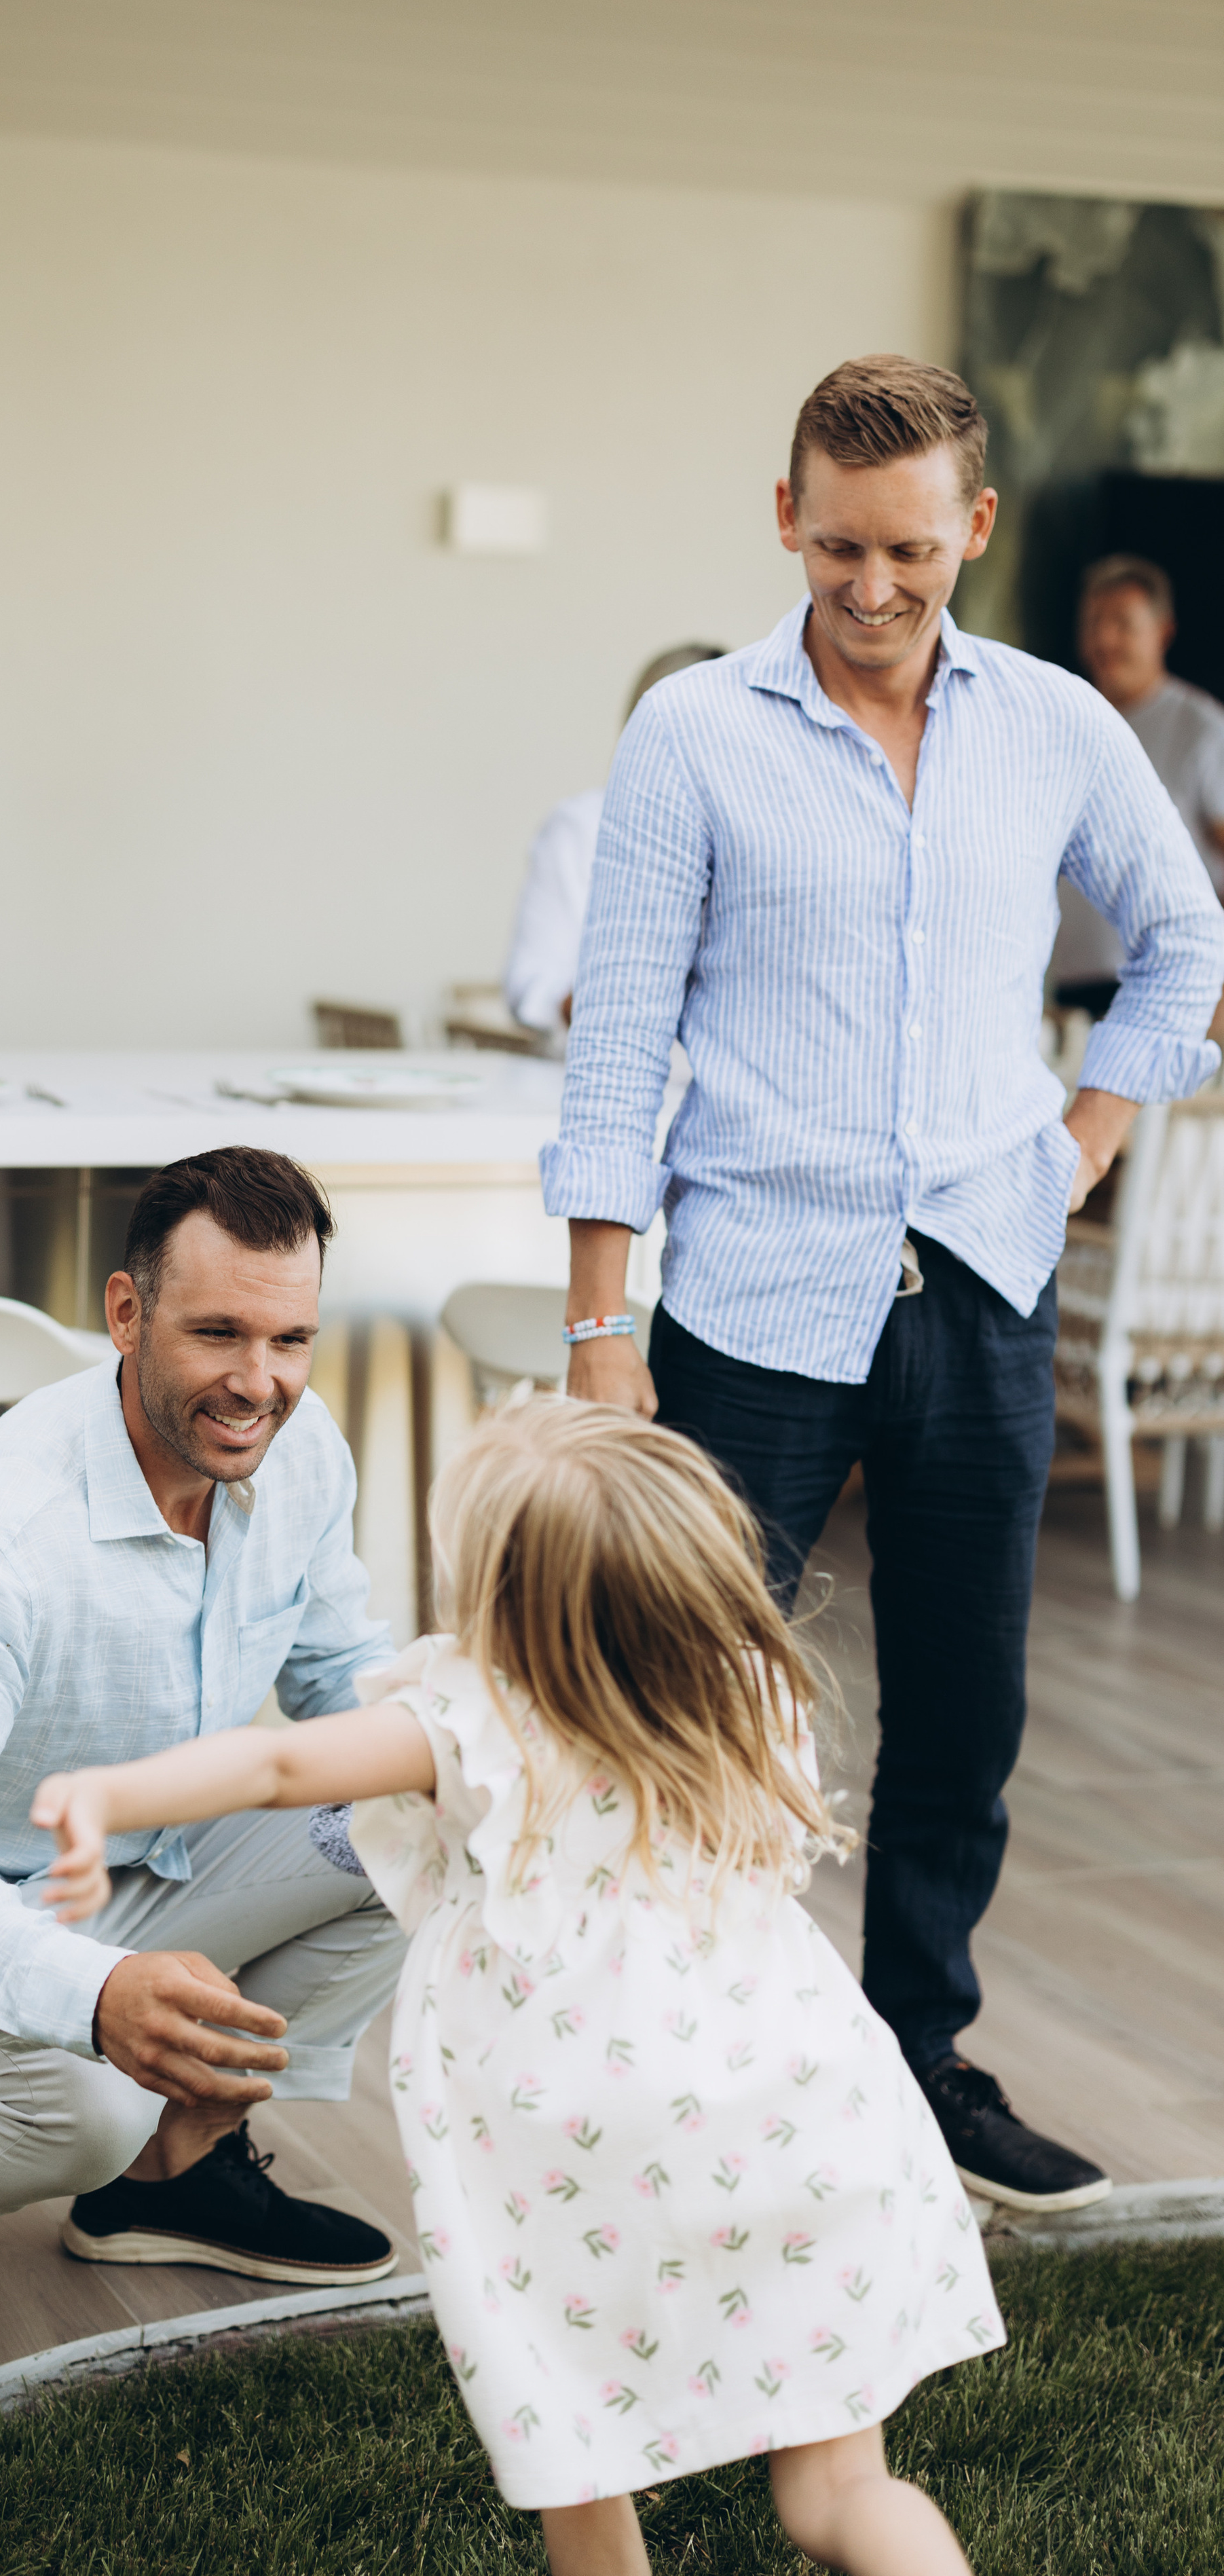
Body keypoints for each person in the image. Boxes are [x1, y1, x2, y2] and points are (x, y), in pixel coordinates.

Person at [542, 355, 1224, 2219]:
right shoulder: (693, 733)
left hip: (985, 1297)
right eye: (838, 545)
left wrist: (1076, 1149)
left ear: (973, 531)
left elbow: (1186, 945)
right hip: (750, 1302)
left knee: (962, 1716)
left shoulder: (1060, 726)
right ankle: (673, 2083)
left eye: (910, 551)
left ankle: (919, 2061)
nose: (871, 587)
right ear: (786, 519)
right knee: (680, 1704)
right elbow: (620, 1048)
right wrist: (603, 1335)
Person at [35, 1397, 994, 2576]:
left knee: (584, 2444)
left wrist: (107, 1797)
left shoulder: (482, 1715)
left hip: (582, 2137)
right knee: (844, 2489)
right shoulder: (748, 1690)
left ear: (504, 1595)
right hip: (798, 2107)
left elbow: (282, 1761)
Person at [0, 1145, 405, 2391]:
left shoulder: (301, 1448)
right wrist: (92, 1997)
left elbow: (342, 1684)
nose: (258, 1383)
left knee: (431, 1819)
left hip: (130, 1865)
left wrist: (501, 1771)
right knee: (95, 2098)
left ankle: (175, 2175)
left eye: (290, 1340)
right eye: (218, 1332)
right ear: (125, 1312)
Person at [504, 646, 724, 1043]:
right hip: (594, 1074)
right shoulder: (582, 828)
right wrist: (621, 999)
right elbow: (532, 988)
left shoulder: (767, 836)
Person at [1051, 553, 1224, 1014]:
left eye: (1123, 624)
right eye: (1094, 622)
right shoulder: (1068, 724)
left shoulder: (1202, 727)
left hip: (1169, 989)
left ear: (1163, 632)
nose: (1105, 639)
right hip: (1071, 987)